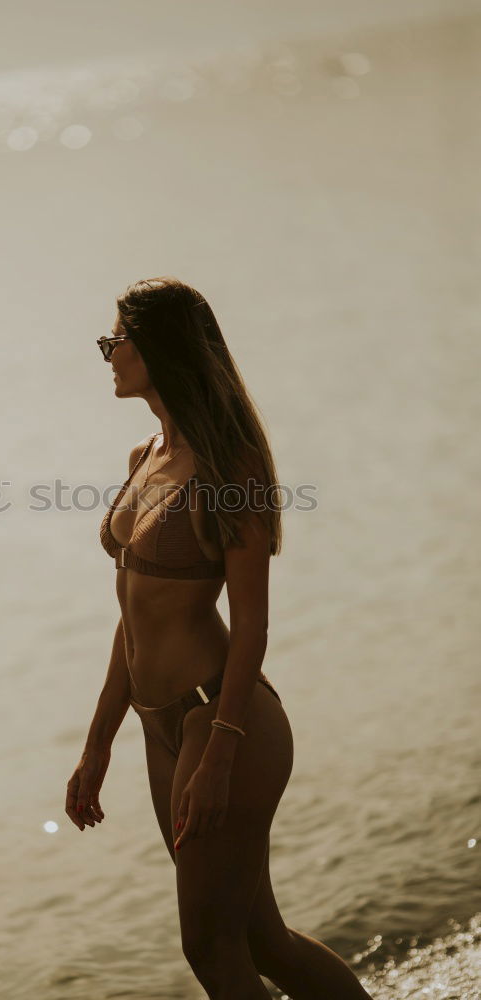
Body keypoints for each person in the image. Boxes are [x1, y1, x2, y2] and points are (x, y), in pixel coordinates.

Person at [66, 277, 374, 999]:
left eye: (117, 340)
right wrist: (98, 743)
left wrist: (221, 752)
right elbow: (133, 617)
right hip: (159, 729)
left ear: (159, 347)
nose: (108, 354)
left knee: (209, 947)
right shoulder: (144, 458)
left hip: (221, 717)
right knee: (259, 940)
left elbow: (254, 624)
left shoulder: (229, 467)